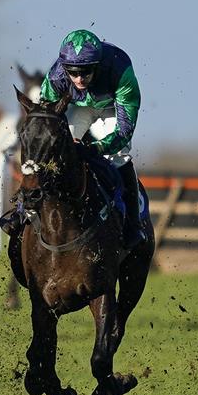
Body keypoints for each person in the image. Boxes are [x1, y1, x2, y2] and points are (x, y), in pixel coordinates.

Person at [40, 29, 144, 244]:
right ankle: (26, 211)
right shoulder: (56, 77)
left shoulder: (120, 70)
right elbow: (45, 117)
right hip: (79, 108)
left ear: (97, 65)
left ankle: (134, 225)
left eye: (86, 72)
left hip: (112, 108)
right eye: (73, 72)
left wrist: (93, 149)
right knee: (51, 150)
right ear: (64, 68)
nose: (79, 78)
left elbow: (124, 130)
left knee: (119, 155)